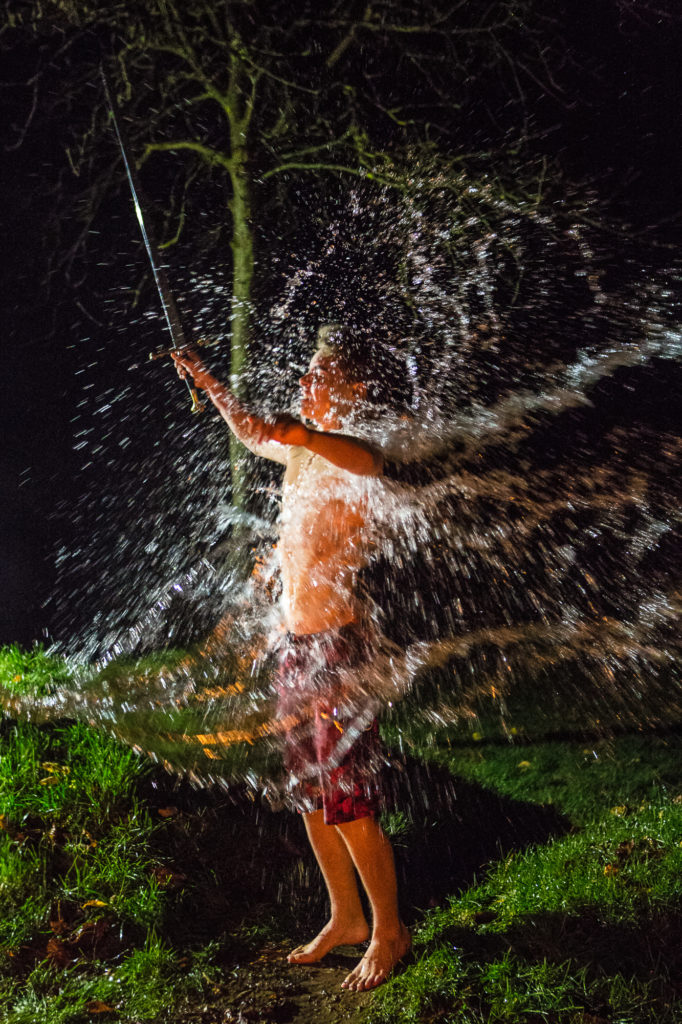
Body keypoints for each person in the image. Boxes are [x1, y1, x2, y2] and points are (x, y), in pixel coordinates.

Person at [171, 325, 411, 992]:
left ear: (356, 388)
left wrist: (302, 436)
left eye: (321, 375)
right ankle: (346, 917)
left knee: (350, 800)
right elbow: (252, 430)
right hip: (296, 647)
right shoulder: (304, 454)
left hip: (340, 650)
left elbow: (368, 465)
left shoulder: (350, 452)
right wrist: (208, 382)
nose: (305, 384)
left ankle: (390, 930)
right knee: (310, 795)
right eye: (306, 374)